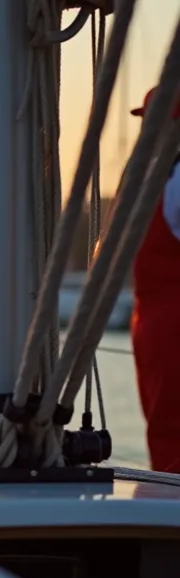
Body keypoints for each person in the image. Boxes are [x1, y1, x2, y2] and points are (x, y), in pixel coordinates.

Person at [130, 86, 180, 474]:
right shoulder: (154, 179)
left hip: (171, 321)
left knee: (171, 426)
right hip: (150, 320)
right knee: (161, 425)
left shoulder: (175, 181)